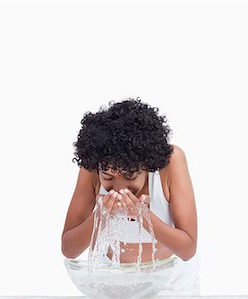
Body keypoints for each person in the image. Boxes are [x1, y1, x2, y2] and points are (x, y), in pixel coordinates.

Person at [61, 97, 200, 295]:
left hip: (172, 279)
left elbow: (188, 250)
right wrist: (101, 216)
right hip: (112, 277)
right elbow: (69, 249)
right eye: (108, 177)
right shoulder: (92, 166)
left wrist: (143, 217)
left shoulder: (171, 163)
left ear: (149, 164)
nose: (118, 189)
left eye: (130, 176)